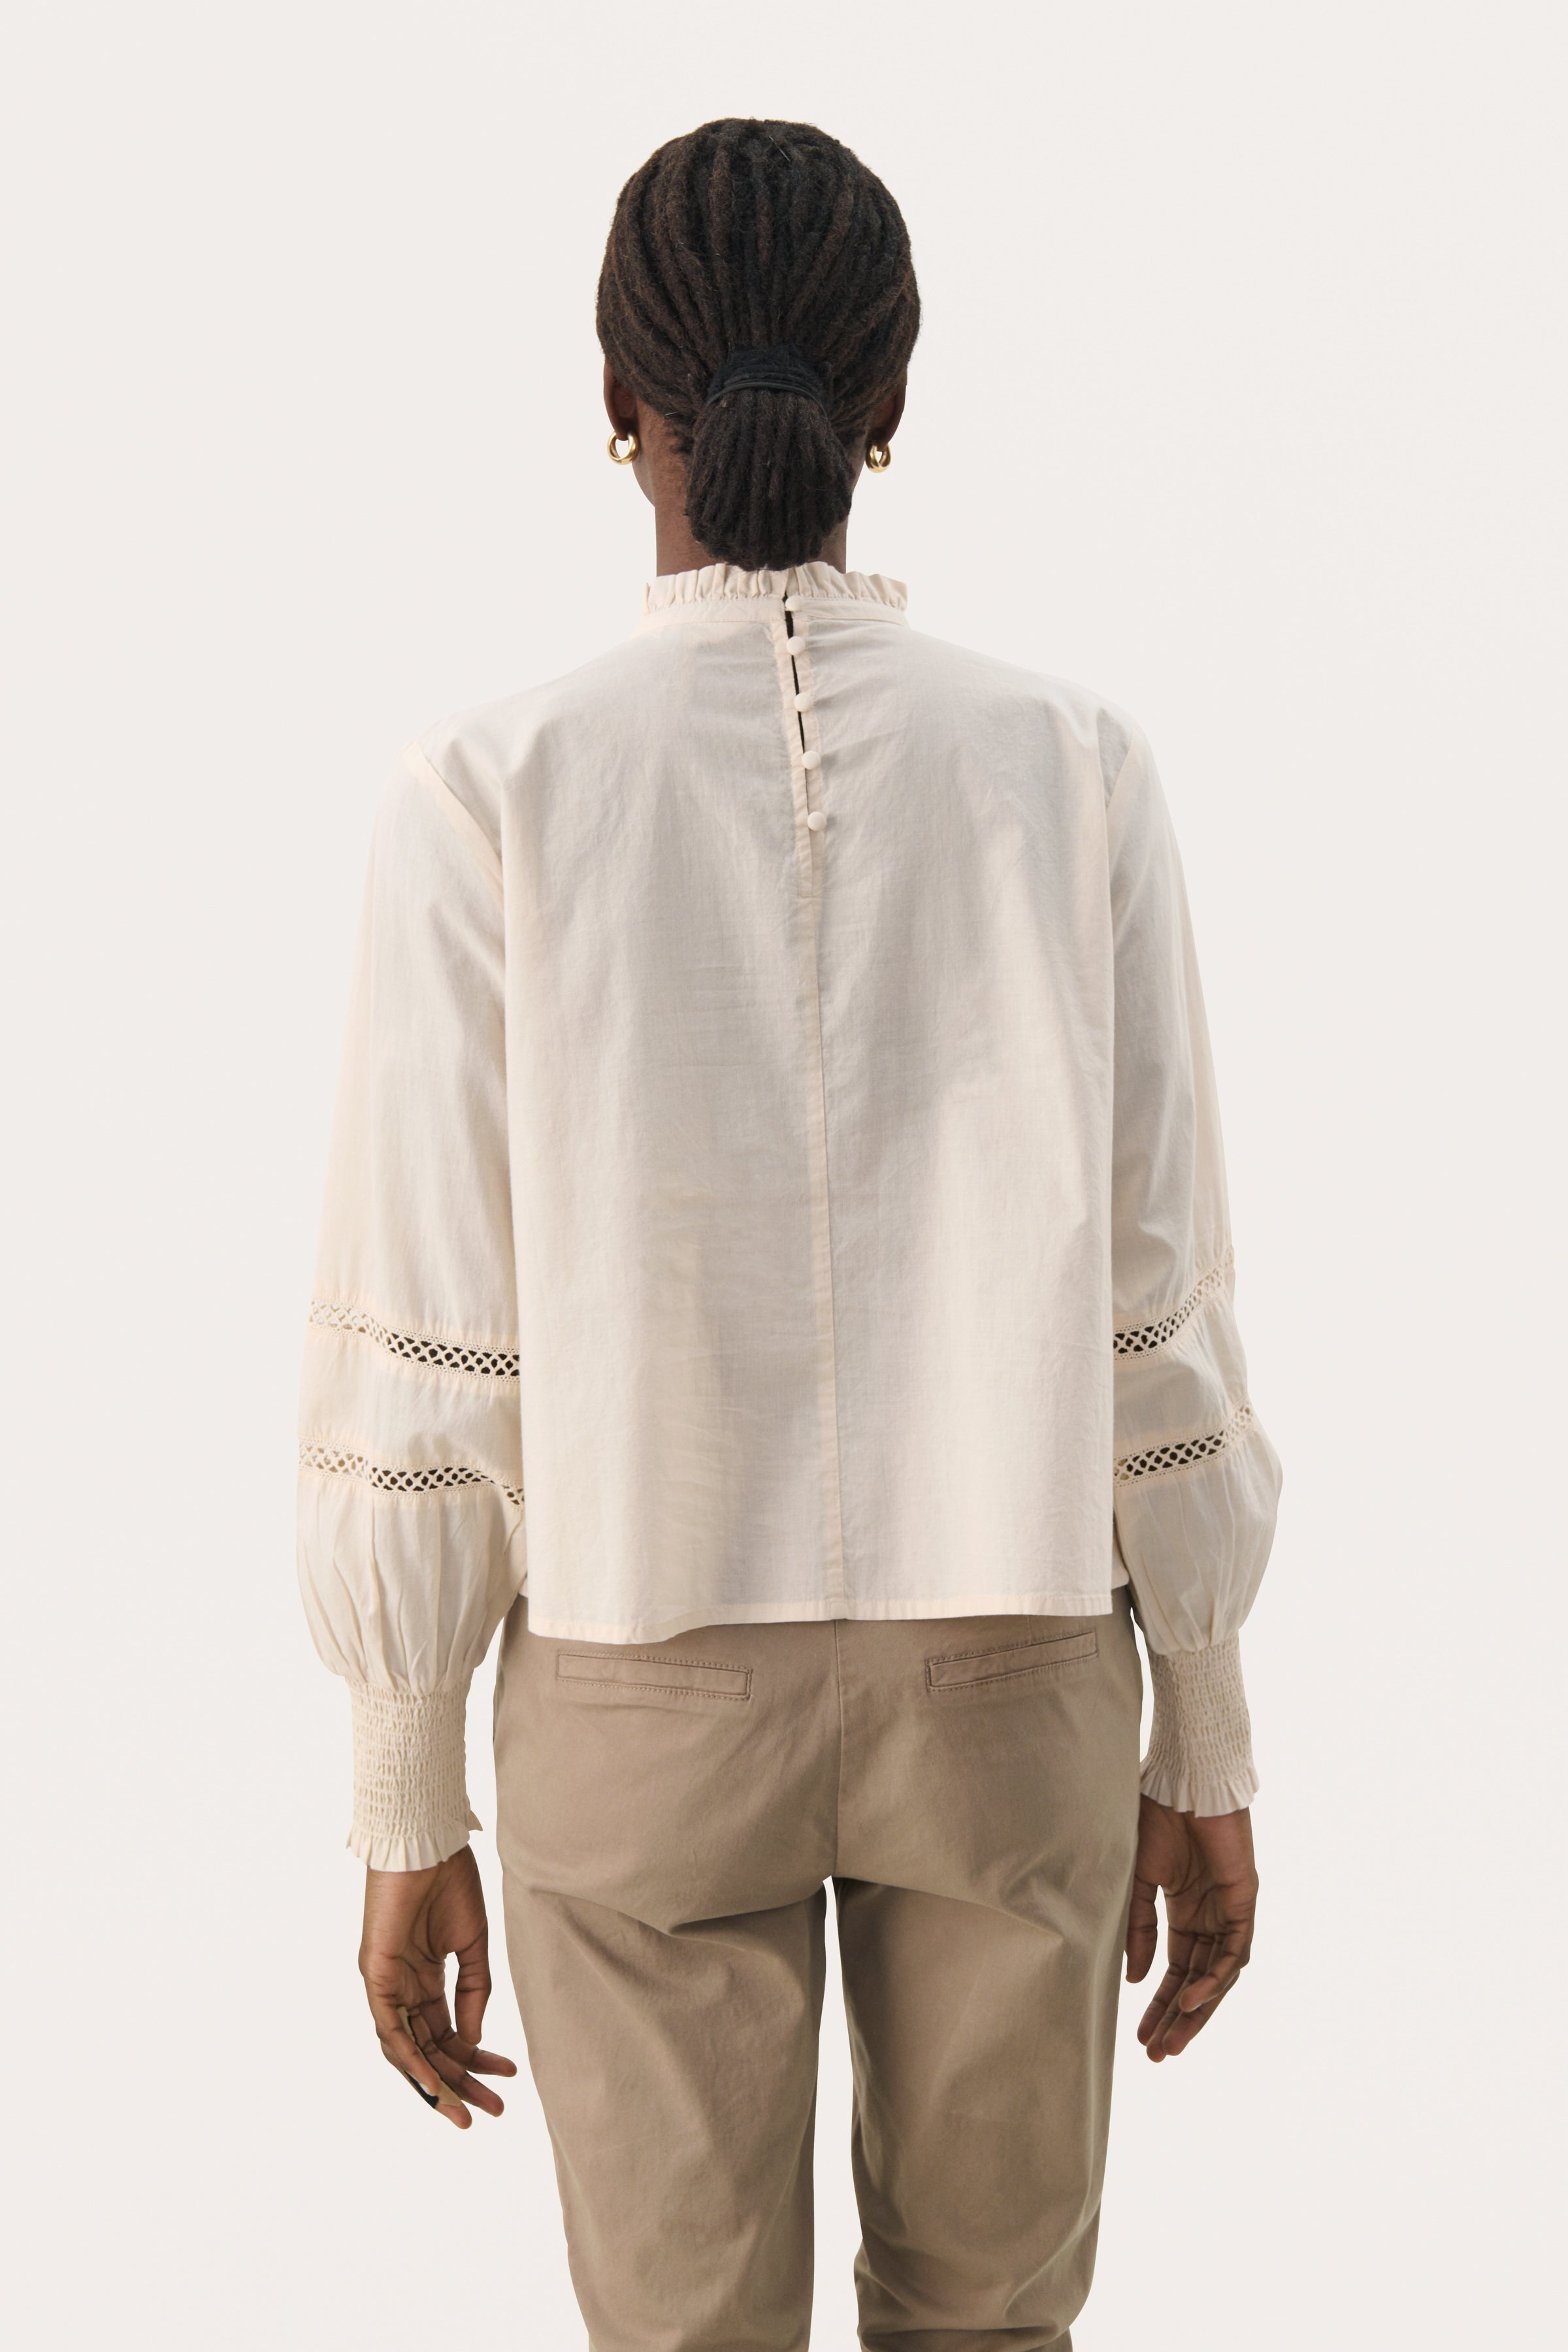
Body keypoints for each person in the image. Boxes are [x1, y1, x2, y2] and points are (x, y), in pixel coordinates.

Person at [297, 116, 1282, 2352]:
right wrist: (1205, 1730)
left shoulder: (489, 786)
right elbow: (1154, 1304)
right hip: (1012, 1665)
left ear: (613, 398)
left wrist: (404, 1784)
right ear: (892, 400)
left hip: (635, 1679)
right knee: (994, 2330)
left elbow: (429, 1326)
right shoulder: (1073, 764)